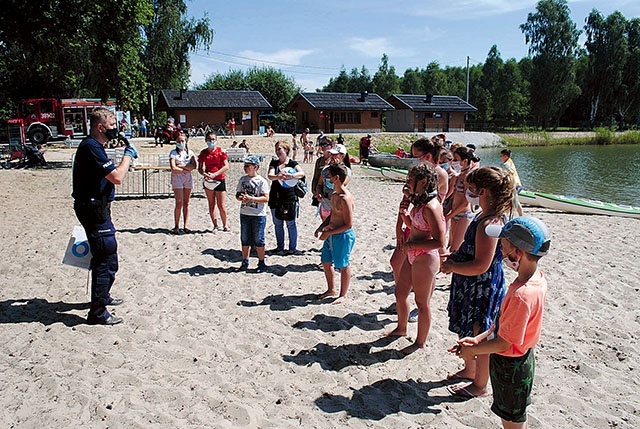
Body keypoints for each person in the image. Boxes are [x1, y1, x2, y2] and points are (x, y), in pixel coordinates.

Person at [450, 216, 550, 428]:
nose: (501, 252)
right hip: (517, 360)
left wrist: (473, 351)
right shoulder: (534, 279)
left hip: (511, 367)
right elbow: (504, 323)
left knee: (511, 420)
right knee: (514, 415)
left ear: (518, 253)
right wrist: (478, 338)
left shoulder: (523, 294)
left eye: (503, 247)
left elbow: (505, 342)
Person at [440, 166, 515, 399]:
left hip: (482, 286)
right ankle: (469, 370)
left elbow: (482, 264)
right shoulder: (483, 215)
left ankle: (480, 384)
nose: (467, 192)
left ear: (482, 190)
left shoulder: (490, 222)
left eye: (471, 188)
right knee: (469, 328)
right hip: (470, 284)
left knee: (480, 333)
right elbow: (470, 249)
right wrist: (455, 257)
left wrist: (453, 266)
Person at [72, 107, 138, 325]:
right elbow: (117, 177)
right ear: (100, 127)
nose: (115, 129)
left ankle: (103, 296)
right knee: (105, 257)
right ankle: (97, 312)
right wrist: (128, 156)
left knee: (109, 257)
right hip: (93, 210)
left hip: (97, 208)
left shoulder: (94, 146)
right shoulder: (91, 147)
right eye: (111, 125)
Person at [387, 163, 446, 353]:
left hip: (425, 257)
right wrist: (405, 218)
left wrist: (412, 245)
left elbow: (439, 241)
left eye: (411, 180)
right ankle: (401, 328)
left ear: (424, 181)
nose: (408, 183)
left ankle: (420, 342)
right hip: (412, 253)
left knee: (422, 303)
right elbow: (419, 228)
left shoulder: (431, 206)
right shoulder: (420, 202)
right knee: (400, 293)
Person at [314, 163, 355, 304]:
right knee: (326, 261)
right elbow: (333, 215)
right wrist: (322, 227)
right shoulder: (334, 195)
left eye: (329, 177)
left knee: (343, 265)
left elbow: (348, 224)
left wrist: (329, 232)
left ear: (336, 178)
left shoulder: (345, 197)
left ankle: (343, 294)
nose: (326, 179)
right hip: (332, 233)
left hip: (343, 235)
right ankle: (331, 289)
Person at [267, 141, 305, 255]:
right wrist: (277, 176)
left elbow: (301, 173)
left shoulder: (293, 163)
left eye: (280, 149)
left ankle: (292, 248)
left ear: (286, 150)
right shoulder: (274, 163)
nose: (277, 151)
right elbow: (270, 175)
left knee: (291, 223)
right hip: (275, 197)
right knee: (277, 223)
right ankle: (280, 247)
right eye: (276, 149)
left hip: (290, 197)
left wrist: (291, 176)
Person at [236, 155, 270, 272]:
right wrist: (241, 197)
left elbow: (266, 198)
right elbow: (237, 194)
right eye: (244, 166)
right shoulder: (242, 179)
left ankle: (261, 262)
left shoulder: (261, 181)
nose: (245, 168)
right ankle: (245, 261)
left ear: (255, 167)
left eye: (248, 166)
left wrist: (251, 198)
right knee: (245, 238)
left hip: (258, 214)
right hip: (245, 213)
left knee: (259, 239)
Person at [446, 146, 480, 252]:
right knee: (452, 246)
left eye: (456, 159)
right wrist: (446, 213)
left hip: (464, 215)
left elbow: (466, 202)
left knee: (455, 248)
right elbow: (453, 197)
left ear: (465, 161)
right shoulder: (459, 176)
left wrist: (449, 216)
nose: (453, 162)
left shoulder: (468, 178)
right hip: (455, 213)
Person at [198, 132, 230, 232]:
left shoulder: (221, 151)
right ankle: (215, 225)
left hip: (219, 179)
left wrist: (215, 174)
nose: (211, 141)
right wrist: (205, 174)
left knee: (221, 205)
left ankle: (225, 225)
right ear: (205, 140)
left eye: (213, 139)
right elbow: (199, 168)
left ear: (216, 140)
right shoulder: (203, 153)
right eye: (209, 139)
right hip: (209, 181)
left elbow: (226, 166)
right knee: (211, 204)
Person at [169, 133, 197, 234]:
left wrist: (182, 166)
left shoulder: (190, 153)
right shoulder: (173, 153)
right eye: (179, 141)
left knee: (186, 202)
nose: (181, 143)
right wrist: (185, 168)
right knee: (179, 202)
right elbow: (173, 167)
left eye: (182, 141)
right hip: (177, 178)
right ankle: (176, 225)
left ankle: (186, 225)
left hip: (187, 177)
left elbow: (194, 166)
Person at [311, 137, 333, 209]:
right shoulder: (319, 161)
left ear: (331, 145)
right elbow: (315, 177)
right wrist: (314, 191)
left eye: (325, 144)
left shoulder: (334, 160)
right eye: (321, 144)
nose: (323, 146)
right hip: (320, 192)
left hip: (331, 193)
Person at [501, 149, 524, 217]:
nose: (500, 157)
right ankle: (520, 215)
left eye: (501, 156)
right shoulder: (510, 161)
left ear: (505, 156)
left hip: (514, 184)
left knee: (514, 200)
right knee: (514, 200)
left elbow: (510, 172)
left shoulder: (506, 164)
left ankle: (520, 215)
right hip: (517, 183)